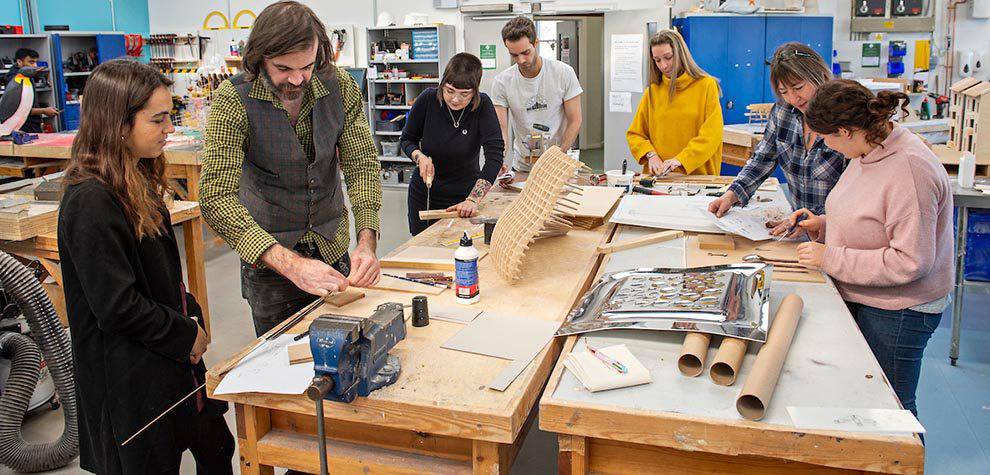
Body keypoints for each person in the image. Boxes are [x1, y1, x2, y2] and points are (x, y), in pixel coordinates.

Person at [58, 59, 233, 475]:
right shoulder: (91, 202)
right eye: (157, 119)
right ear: (118, 124)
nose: (169, 128)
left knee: (217, 445)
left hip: (169, 361)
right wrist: (185, 332)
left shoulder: (134, 179)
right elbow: (117, 307)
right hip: (130, 384)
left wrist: (190, 316)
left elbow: (161, 277)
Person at [201, 1, 383, 336]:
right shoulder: (233, 100)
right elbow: (216, 196)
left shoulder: (339, 86)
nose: (298, 79)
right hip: (271, 265)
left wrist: (367, 240)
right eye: (284, 68)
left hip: (332, 249)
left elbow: (361, 164)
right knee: (280, 368)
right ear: (259, 57)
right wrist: (291, 264)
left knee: (347, 352)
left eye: (308, 66)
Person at [784, 79, 952, 419]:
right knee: (864, 396)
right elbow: (874, 219)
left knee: (892, 408)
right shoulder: (871, 149)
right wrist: (825, 225)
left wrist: (830, 257)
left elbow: (911, 261)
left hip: (902, 309)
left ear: (845, 131)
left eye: (827, 138)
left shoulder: (909, 169)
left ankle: (901, 469)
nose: (827, 147)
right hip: (870, 296)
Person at [707, 42, 845, 232]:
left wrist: (811, 221)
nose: (793, 99)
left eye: (798, 87)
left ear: (818, 76)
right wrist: (732, 194)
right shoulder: (783, 113)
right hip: (800, 229)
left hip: (839, 230)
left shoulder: (844, 119)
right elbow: (761, 160)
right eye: (784, 92)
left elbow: (855, 193)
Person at [401, 53, 504, 235]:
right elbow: (407, 139)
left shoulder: (483, 105)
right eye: (449, 91)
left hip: (464, 198)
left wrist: (473, 199)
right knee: (423, 249)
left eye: (464, 94)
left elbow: (494, 157)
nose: (455, 99)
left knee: (462, 250)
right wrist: (420, 157)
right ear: (442, 85)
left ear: (475, 92)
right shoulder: (427, 100)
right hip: (425, 195)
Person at [492, 15, 582, 184]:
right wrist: (497, 160)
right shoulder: (502, 82)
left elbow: (575, 120)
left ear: (536, 43)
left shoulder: (563, 73)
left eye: (526, 52)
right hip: (523, 167)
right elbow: (501, 130)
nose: (521, 60)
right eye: (514, 55)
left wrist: (559, 155)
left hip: (557, 165)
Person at [626, 29, 723, 176]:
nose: (664, 66)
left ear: (680, 54)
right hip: (659, 180)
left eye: (668, 57)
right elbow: (635, 134)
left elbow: (711, 136)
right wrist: (650, 154)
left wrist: (681, 160)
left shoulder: (706, 86)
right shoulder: (652, 92)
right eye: (657, 60)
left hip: (698, 179)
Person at [4, 48, 58, 133]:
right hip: (22, 125)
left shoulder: (27, 75)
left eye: (35, 62)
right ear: (19, 62)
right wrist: (44, 111)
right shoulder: (15, 80)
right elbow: (18, 109)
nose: (34, 65)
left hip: (32, 123)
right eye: (31, 62)